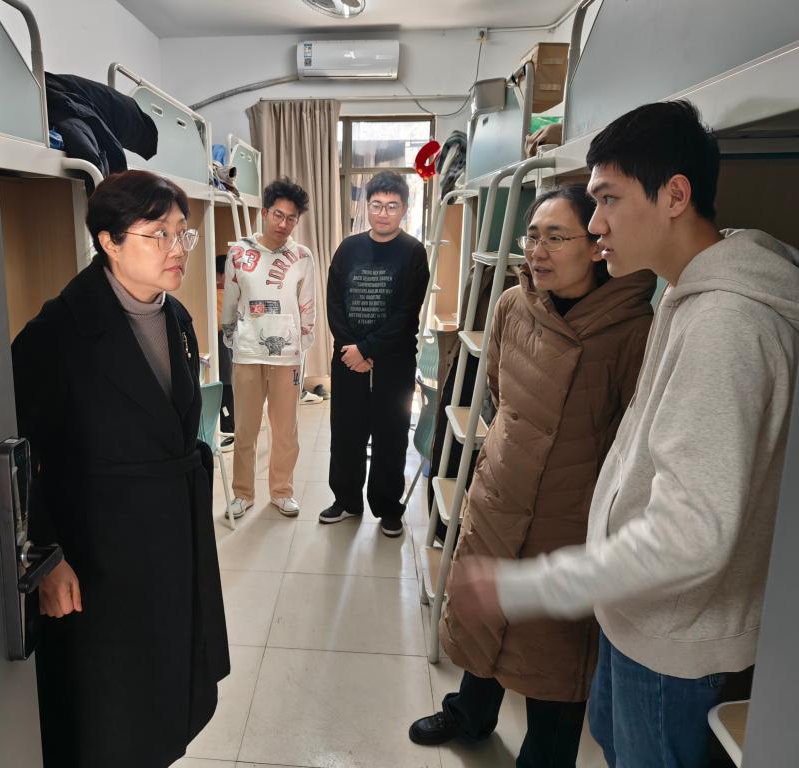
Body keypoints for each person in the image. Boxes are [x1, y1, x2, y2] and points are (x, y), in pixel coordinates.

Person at [448, 100, 799, 768]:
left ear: (675, 196)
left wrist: (528, 585)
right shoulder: (684, 298)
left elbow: (690, 534)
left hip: (674, 640)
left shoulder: (725, 326)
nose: (596, 222)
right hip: (636, 617)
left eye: (607, 199)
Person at [408, 185, 655, 766]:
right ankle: (470, 714)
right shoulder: (512, 305)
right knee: (486, 619)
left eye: (556, 237)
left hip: (570, 511)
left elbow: (633, 436)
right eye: (533, 236)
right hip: (502, 489)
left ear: (595, 246)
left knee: (554, 656)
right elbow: (499, 390)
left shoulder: (632, 327)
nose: (538, 251)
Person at [11, 170, 230, 767]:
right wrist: (45, 556)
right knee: (111, 704)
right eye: (159, 234)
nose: (177, 249)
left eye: (182, 233)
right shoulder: (56, 334)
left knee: (167, 686)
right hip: (100, 552)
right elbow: (20, 457)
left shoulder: (176, 318)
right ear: (108, 241)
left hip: (172, 537)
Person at [319, 170, 430, 537]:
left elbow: (406, 313)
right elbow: (334, 302)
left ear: (405, 209)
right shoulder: (348, 248)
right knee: (346, 433)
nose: (383, 213)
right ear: (366, 206)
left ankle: (388, 507)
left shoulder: (413, 252)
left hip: (394, 362)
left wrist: (367, 349)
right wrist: (351, 348)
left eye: (392, 206)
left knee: (391, 436)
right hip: (348, 356)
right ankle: (346, 501)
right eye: (377, 205)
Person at [220, 178, 316, 519]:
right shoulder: (239, 252)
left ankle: (282, 491)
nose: (283, 224)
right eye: (277, 215)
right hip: (248, 352)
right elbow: (230, 302)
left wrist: (301, 345)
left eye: (291, 218)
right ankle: (243, 493)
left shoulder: (302, 256)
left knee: (285, 430)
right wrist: (232, 338)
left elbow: (307, 305)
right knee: (245, 428)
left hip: (287, 356)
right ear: (264, 213)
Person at [215, 254, 235, 451]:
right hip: (229, 357)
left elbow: (218, 324)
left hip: (226, 358)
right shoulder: (230, 295)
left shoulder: (220, 296)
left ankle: (230, 430)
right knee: (229, 394)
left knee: (227, 395)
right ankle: (230, 429)